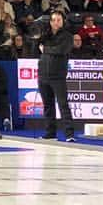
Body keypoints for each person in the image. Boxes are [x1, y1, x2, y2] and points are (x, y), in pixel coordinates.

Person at [38, 10, 75, 142]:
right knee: (47, 105)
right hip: (43, 74)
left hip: (58, 76)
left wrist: (46, 50)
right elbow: (35, 46)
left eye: (59, 20)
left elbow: (61, 50)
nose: (56, 22)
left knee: (63, 104)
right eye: (53, 20)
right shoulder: (46, 35)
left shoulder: (67, 36)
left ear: (63, 21)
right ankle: (50, 132)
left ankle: (69, 134)